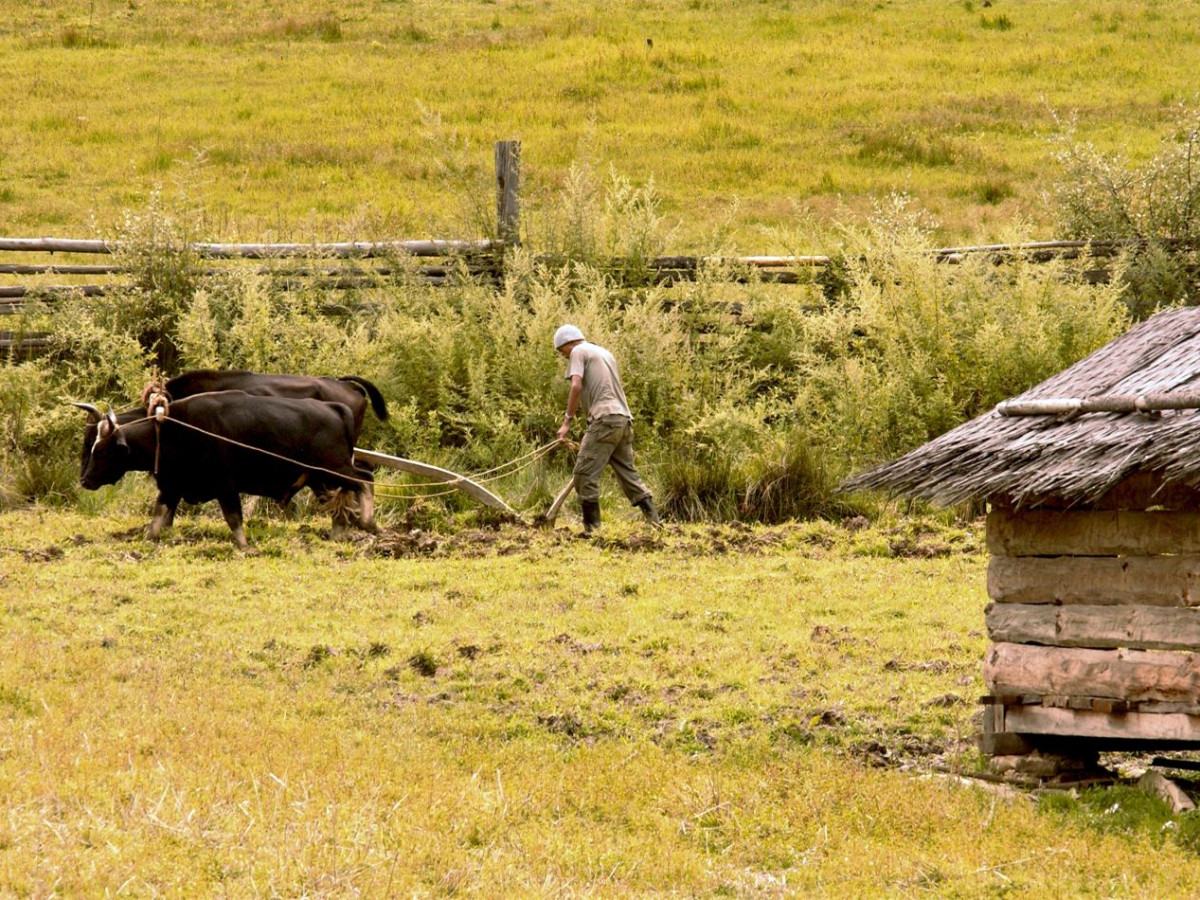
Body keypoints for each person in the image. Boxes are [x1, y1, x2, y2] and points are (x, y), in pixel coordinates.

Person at [553, 324, 662, 533]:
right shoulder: (604, 352)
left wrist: (567, 421)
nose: (564, 357)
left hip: (604, 420)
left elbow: (576, 385)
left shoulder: (578, 351)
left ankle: (592, 530)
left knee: (584, 474)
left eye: (561, 351)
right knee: (628, 474)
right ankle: (654, 520)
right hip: (623, 419)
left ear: (567, 343)